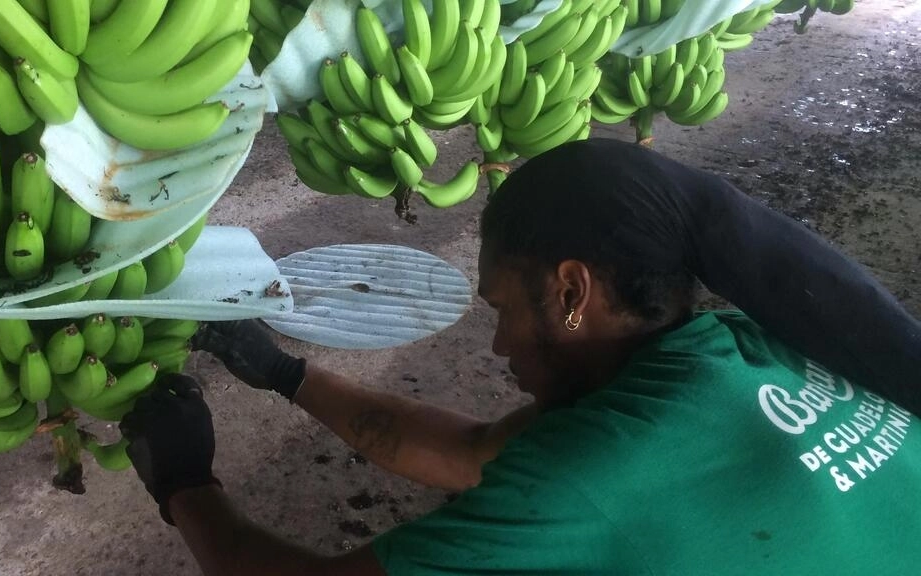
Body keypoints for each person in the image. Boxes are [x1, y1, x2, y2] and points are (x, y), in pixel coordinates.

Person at [119, 138, 921, 575]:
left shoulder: (590, 482)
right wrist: (285, 375)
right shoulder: (744, 346)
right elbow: (469, 452)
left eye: (502, 309)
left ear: (573, 291)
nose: (500, 346)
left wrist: (187, 487)